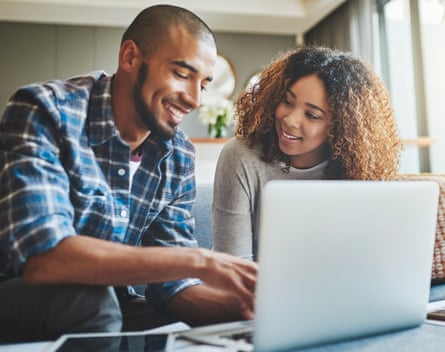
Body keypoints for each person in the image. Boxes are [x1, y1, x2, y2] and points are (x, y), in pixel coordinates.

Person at [0, 4, 257, 342]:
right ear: (130, 57)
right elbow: (44, 257)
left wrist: (247, 309)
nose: (194, 99)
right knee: (93, 302)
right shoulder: (44, 111)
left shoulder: (177, 154)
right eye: (181, 74)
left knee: (172, 328)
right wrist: (199, 260)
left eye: (204, 84)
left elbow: (172, 286)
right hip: (20, 291)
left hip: (105, 302)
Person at [213, 46, 402, 261]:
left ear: (340, 126)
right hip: (254, 290)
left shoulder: (358, 168)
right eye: (287, 101)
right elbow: (232, 266)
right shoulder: (241, 157)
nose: (290, 120)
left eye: (312, 115)